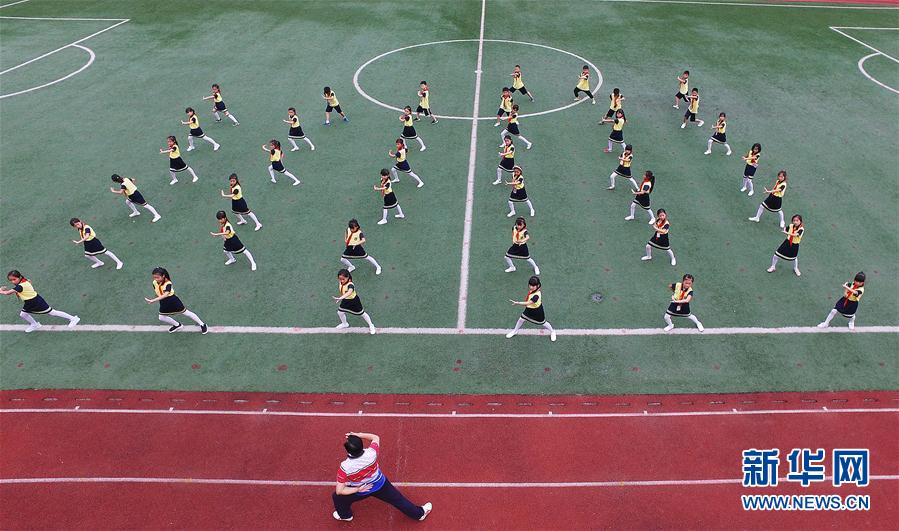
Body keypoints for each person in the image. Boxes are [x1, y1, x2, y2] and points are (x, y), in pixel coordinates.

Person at [332, 432, 432, 522]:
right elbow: (375, 437)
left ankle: (345, 516)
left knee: (338, 498)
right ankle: (419, 514)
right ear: (361, 445)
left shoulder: (345, 467)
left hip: (362, 489)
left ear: (348, 451)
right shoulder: (372, 453)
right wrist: (359, 435)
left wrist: (357, 489)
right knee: (399, 500)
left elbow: (339, 491)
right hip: (380, 484)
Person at [0, 270, 80, 333]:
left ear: (19, 277)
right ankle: (35, 324)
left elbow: (7, 293)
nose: (13, 282)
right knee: (23, 314)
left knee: (52, 312)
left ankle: (73, 318)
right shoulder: (24, 281)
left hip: (36, 302)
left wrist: (0, 290)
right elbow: (28, 282)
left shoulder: (20, 286)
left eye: (14, 279)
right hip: (29, 302)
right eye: (11, 280)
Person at [143, 267, 207, 334]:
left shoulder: (168, 283)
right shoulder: (154, 282)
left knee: (186, 312)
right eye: (154, 277)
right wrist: (157, 296)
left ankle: (202, 324)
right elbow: (158, 291)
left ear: (163, 276)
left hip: (172, 301)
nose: (156, 279)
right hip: (163, 302)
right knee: (161, 317)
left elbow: (166, 295)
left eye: (157, 277)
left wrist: (153, 300)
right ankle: (177, 325)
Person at [506, 275, 556, 341]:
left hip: (537, 311)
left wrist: (518, 303)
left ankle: (552, 331)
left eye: (533, 286)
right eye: (530, 285)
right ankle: (515, 331)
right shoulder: (534, 290)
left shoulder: (536, 295)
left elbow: (528, 303)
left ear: (538, 285)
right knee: (521, 319)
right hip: (529, 309)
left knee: (543, 323)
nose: (531, 287)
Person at [333, 269, 376, 334]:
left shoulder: (350, 285)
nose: (341, 281)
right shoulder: (341, 282)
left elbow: (349, 292)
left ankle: (371, 325)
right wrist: (342, 298)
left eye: (343, 279)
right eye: (340, 279)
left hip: (354, 301)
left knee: (362, 313)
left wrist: (341, 298)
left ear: (348, 277)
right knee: (340, 312)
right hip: (346, 300)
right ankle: (345, 324)